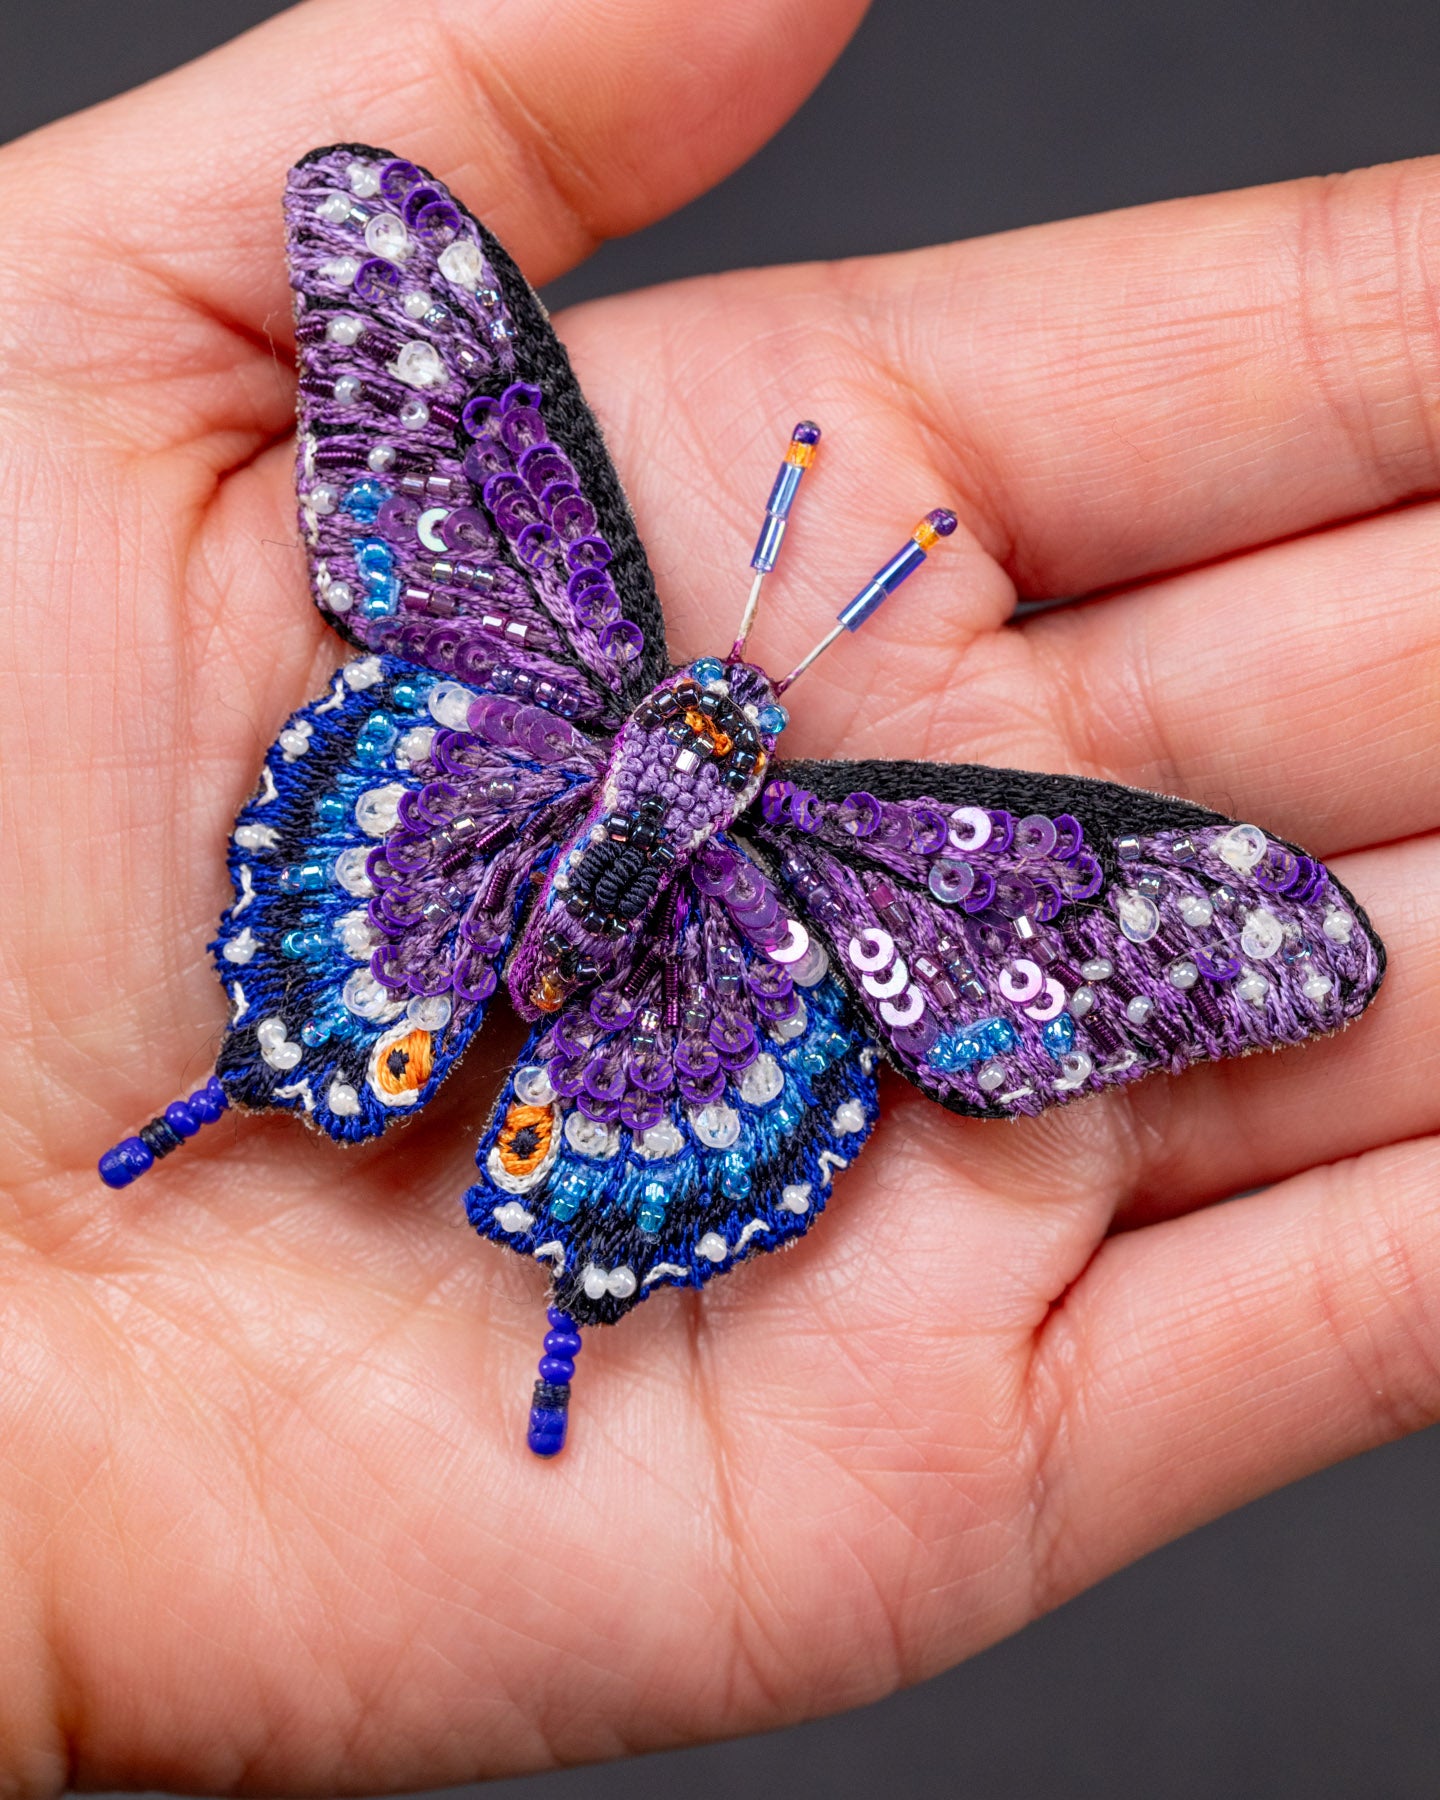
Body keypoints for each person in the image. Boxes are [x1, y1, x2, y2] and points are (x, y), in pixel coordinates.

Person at [0, 0, 1435, 1788]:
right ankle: (385, 1178)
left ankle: (363, 1169)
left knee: (459, 987)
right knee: (512, 1041)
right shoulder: (843, 841)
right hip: (569, 871)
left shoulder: (704, 746)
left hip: (508, 836)